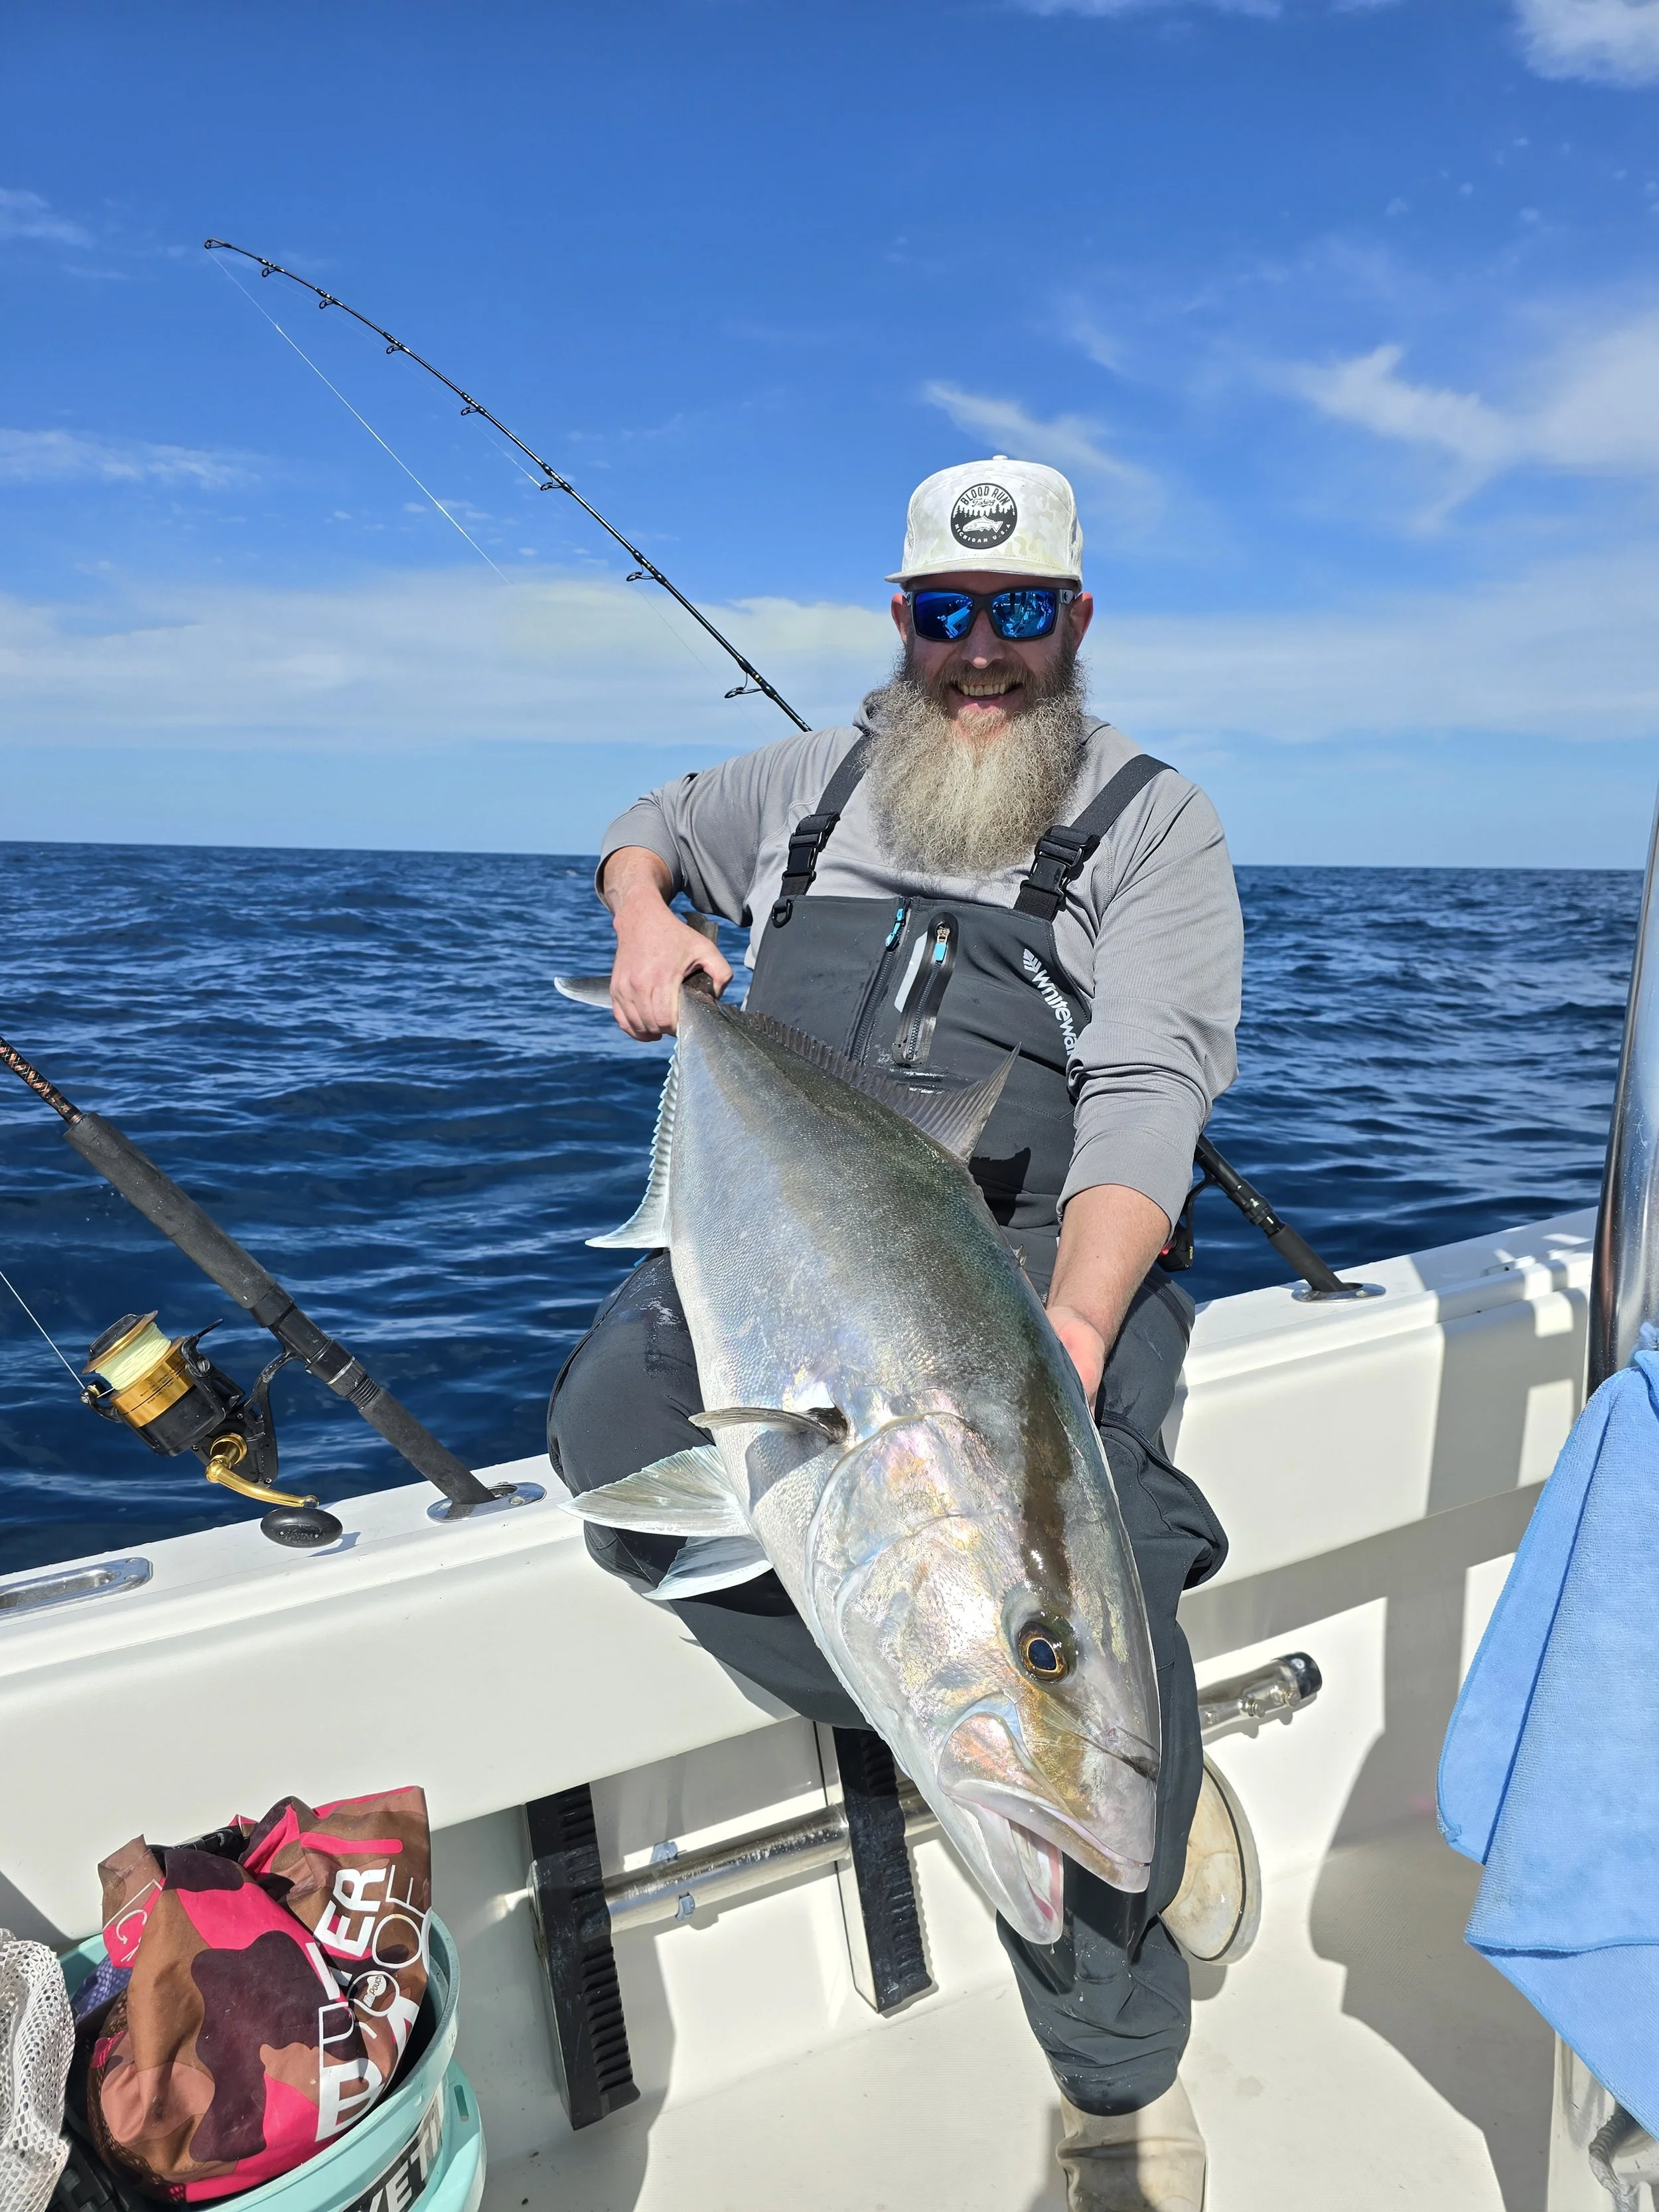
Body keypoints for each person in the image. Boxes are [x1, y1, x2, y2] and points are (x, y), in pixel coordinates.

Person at [549, 456, 1242, 2212]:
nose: (981, 654)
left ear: (1073, 620)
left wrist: (1071, 1334)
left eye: (1019, 616)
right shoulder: (811, 775)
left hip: (1025, 1253)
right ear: (902, 620)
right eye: (949, 614)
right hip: (781, 1209)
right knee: (617, 1472)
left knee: (1085, 1622)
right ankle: (976, 1715)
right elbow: (649, 818)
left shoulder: (1153, 819)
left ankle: (1116, 2082)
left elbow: (1151, 1093)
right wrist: (646, 918)